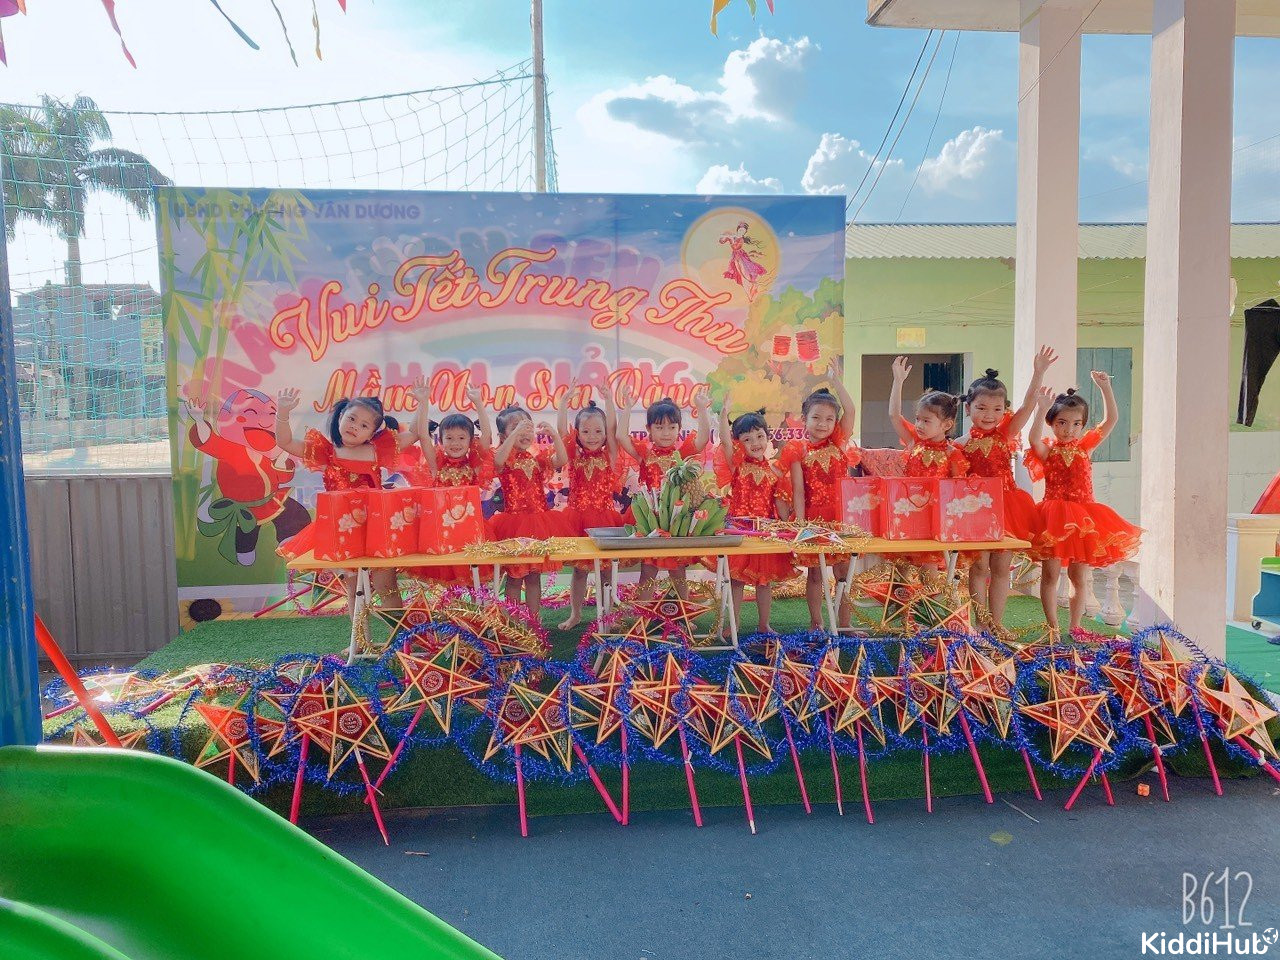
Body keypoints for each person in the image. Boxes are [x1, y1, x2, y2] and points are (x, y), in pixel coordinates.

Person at [275, 386, 423, 603]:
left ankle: (395, 625)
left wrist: (422, 402)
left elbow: (414, 433)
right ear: (340, 416)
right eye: (351, 419)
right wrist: (283, 413)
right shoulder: (326, 452)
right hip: (343, 530)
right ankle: (359, 627)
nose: (355, 426)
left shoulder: (377, 450)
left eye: (364, 425)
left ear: (372, 434)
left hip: (377, 528)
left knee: (386, 585)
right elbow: (285, 442)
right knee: (355, 590)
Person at [1025, 374, 1142, 632]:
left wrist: (1106, 388)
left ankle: (1075, 626)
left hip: (1084, 520)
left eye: (1076, 424)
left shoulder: (1085, 447)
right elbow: (1033, 439)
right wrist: (1040, 409)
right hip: (1053, 519)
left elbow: (1111, 420)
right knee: (1050, 575)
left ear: (1082, 425)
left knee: (1079, 577)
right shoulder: (1047, 451)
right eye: (1062, 423)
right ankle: (1053, 626)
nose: (1069, 429)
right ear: (1052, 423)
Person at [957, 347, 1056, 626]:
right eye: (981, 408)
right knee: (978, 568)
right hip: (975, 511)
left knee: (1001, 569)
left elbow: (1027, 406)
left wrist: (1038, 372)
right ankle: (980, 624)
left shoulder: (1007, 433)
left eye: (997, 409)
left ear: (1005, 410)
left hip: (1006, 509)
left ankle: (996, 624)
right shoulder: (960, 445)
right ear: (968, 408)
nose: (989, 415)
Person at [778, 359, 859, 630]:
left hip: (841, 517)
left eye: (829, 419)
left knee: (843, 572)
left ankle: (845, 624)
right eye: (816, 418)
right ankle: (816, 623)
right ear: (804, 419)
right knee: (815, 575)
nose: (822, 424)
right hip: (813, 518)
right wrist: (801, 523)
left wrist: (836, 381)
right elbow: (798, 490)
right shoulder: (797, 449)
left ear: (835, 422)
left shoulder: (839, 441)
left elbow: (850, 409)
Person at [615, 386, 713, 599]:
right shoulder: (644, 453)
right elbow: (621, 436)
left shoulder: (683, 453)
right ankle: (642, 613)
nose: (666, 433)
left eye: (672, 427)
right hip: (651, 520)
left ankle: (683, 611)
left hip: (677, 520)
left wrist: (702, 409)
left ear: (679, 429)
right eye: (659, 427)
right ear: (649, 429)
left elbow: (703, 438)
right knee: (648, 570)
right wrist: (628, 408)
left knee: (678, 570)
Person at [402, 382, 495, 589]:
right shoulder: (436, 466)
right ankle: (450, 609)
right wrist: (423, 403)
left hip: (471, 529)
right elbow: (423, 436)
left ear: (470, 441)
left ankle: (476, 609)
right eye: (449, 438)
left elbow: (487, 436)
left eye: (461, 438)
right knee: (449, 581)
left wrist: (478, 403)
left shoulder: (475, 467)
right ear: (441, 441)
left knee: (474, 578)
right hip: (442, 530)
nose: (455, 443)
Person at [715, 392, 795, 633]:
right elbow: (725, 441)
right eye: (747, 439)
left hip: (765, 533)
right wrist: (724, 414)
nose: (755, 443)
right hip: (739, 531)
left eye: (760, 436)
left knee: (764, 582)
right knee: (736, 581)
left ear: (768, 437)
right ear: (738, 443)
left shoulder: (775, 470)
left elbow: (781, 505)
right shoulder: (737, 465)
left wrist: (788, 525)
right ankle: (734, 623)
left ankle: (764, 625)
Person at [887, 356, 970, 577]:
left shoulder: (952, 454)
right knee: (901, 567)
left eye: (926, 421)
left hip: (935, 519)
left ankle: (931, 600)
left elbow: (959, 491)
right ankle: (901, 599)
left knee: (929, 569)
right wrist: (898, 381)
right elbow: (894, 415)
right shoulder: (914, 442)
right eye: (917, 419)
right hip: (907, 513)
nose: (919, 425)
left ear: (946, 425)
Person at [491, 402, 572, 620]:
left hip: (538, 524)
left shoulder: (537, 461)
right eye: (515, 428)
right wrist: (515, 433)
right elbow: (497, 460)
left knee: (534, 576)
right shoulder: (505, 460)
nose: (523, 432)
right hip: (514, 526)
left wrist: (554, 435)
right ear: (503, 435)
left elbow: (562, 460)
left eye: (527, 427)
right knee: (515, 576)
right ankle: (513, 624)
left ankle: (534, 622)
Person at [556, 383, 623, 629]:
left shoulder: (609, 454)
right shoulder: (573, 455)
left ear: (605, 433)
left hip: (605, 521)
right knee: (579, 571)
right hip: (577, 520)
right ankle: (575, 614)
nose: (592, 436)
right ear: (577, 433)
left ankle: (608, 616)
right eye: (585, 431)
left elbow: (614, 428)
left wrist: (609, 400)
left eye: (597, 431)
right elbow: (561, 431)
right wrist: (563, 403)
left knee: (606, 571)